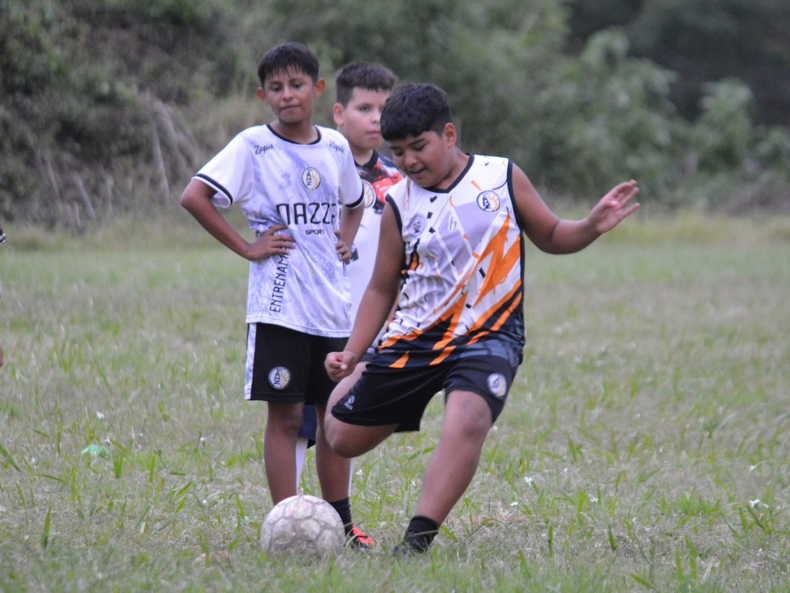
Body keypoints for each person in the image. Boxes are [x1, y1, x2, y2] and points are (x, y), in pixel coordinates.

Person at [324, 83, 640, 555]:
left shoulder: (501, 177)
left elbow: (553, 234)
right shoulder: (399, 204)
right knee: (341, 437)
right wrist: (354, 351)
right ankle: (371, 378)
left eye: (419, 147)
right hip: (414, 339)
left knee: (469, 418)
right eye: (399, 152)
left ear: (448, 135)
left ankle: (414, 546)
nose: (409, 161)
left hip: (490, 336)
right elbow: (380, 287)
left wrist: (590, 226)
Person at [180, 42, 372, 547]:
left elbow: (356, 201)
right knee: (286, 417)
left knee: (335, 420)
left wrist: (347, 239)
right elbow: (194, 196)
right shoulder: (252, 146)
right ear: (263, 94)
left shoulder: (334, 147)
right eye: (277, 88)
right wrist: (247, 246)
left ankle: (343, 525)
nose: (288, 95)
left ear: (317, 89)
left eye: (298, 85)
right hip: (280, 308)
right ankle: (285, 526)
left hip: (333, 308)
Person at [295, 63, 401, 513]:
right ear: (338, 112)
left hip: (360, 323)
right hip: (307, 312)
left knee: (338, 417)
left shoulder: (400, 179)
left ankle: (339, 521)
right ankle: (288, 513)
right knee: (296, 420)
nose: (376, 117)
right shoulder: (311, 164)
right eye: (365, 107)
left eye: (385, 108)